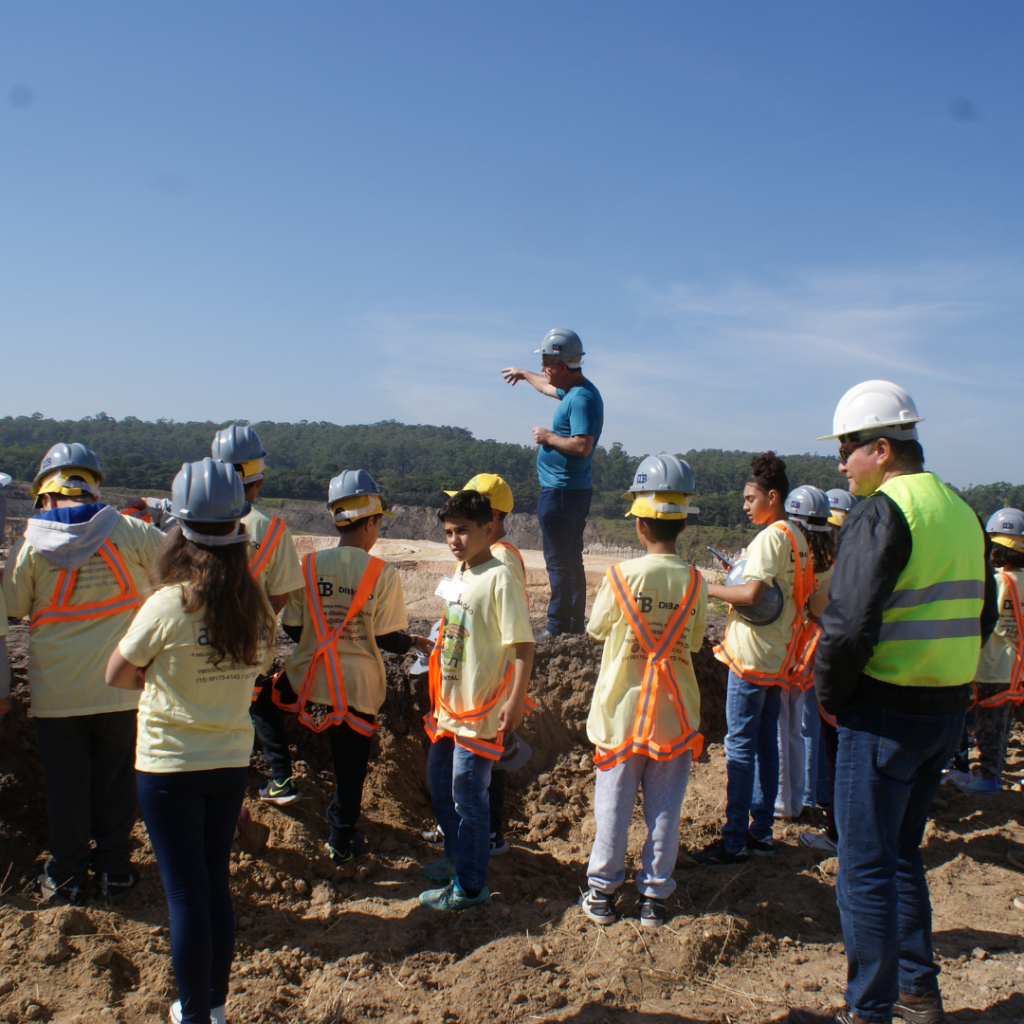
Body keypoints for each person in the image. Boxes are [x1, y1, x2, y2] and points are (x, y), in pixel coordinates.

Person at [789, 380, 997, 1024]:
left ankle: (869, 1008)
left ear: (882, 448)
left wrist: (832, 697)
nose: (841, 464)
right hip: (942, 711)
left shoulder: (881, 512)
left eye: (848, 449)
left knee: (865, 865)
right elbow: (980, 613)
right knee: (902, 854)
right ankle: (917, 992)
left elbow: (848, 626)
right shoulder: (960, 512)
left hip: (882, 713)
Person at [106, 458, 274, 1024]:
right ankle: (215, 1008)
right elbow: (258, 670)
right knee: (215, 887)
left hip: (168, 766)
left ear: (177, 529)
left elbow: (117, 675)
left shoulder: (167, 604)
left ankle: (193, 1012)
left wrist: (161, 680)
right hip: (229, 762)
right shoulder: (256, 607)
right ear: (239, 530)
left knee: (184, 895)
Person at [3, 443, 164, 905]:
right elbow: (174, 576)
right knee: (116, 784)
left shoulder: (28, 545)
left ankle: (67, 876)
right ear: (93, 486)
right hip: (123, 690)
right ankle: (114, 870)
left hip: (57, 695)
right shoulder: (131, 531)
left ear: (45, 494)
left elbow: (13, 608)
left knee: (66, 788)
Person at [578, 454, 707, 929]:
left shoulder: (619, 576)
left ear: (637, 523)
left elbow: (595, 629)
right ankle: (655, 898)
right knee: (665, 811)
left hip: (620, 713)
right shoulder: (695, 581)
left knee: (612, 806)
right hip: (674, 715)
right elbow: (692, 642)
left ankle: (603, 894)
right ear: (682, 524)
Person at [277, 470, 430, 864]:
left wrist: (321, 641)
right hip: (357, 686)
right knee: (350, 768)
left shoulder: (308, 565)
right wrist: (413, 642)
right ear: (374, 522)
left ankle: (279, 775)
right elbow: (386, 638)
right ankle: (340, 841)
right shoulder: (382, 574)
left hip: (309, 675)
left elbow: (292, 627)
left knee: (265, 707)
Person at [691, 453, 813, 866]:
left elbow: (751, 596)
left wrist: (708, 589)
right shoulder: (796, 536)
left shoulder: (769, 538)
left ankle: (733, 840)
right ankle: (760, 832)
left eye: (749, 498)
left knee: (739, 747)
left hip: (750, 656)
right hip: (776, 655)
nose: (744, 506)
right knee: (765, 743)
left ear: (772, 496)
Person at [420, 490, 534, 911]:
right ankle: (457, 863)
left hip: (480, 711)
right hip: (450, 709)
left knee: (469, 797)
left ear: (489, 529)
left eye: (463, 531)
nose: (455, 539)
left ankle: (470, 886)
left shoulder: (501, 577)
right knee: (441, 786)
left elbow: (523, 646)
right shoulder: (462, 573)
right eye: (449, 532)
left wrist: (516, 700)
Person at [210, 425, 305, 806]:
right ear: (259, 479)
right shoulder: (271, 528)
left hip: (199, 641)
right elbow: (280, 595)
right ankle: (279, 778)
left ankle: (227, 784)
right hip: (253, 638)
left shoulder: (193, 522)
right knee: (255, 702)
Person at [500, 328, 603, 641]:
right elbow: (546, 387)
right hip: (569, 491)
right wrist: (523, 373)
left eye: (546, 363)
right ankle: (572, 623)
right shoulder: (574, 391)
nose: (543, 369)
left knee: (559, 562)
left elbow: (582, 445)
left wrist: (548, 438)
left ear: (562, 365)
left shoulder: (581, 399)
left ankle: (559, 624)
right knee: (571, 560)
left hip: (561, 493)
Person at [945, 507, 1024, 793]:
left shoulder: (998, 582)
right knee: (1003, 726)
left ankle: (989, 777)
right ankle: (995, 773)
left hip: (990, 666)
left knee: (987, 727)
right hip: (1015, 668)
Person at [775, 485, 835, 820]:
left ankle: (786, 802)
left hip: (789, 654)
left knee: (783, 730)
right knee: (800, 730)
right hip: (811, 658)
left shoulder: (794, 559)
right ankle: (801, 798)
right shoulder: (829, 564)